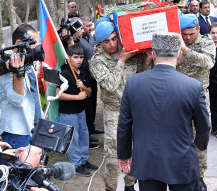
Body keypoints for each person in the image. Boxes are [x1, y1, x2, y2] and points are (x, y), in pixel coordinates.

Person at [117, 32, 210, 191]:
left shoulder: (133, 83)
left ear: (153, 54)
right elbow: (204, 126)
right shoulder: (193, 86)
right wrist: (199, 145)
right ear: (179, 55)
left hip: (147, 161)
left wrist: (124, 155)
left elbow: (124, 125)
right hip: (182, 161)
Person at [90, 21, 151, 191]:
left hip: (135, 110)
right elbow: (109, 85)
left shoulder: (131, 52)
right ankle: (110, 187)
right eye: (107, 42)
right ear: (99, 44)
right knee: (113, 157)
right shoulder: (97, 61)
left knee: (135, 150)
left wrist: (147, 61)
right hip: (114, 112)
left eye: (114, 39)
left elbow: (143, 78)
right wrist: (122, 61)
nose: (112, 44)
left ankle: (130, 184)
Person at [177, 14, 215, 191]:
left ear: (198, 30)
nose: (188, 37)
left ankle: (200, 176)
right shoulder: (174, 41)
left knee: (201, 136)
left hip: (199, 97)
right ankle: (180, 172)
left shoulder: (206, 42)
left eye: (191, 34)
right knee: (178, 136)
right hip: (177, 96)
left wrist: (186, 50)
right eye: (184, 34)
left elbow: (208, 62)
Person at [0, 24, 43, 148]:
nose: (35, 47)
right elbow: (17, 100)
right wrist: (17, 72)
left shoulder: (27, 59)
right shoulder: (6, 64)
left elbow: (33, 93)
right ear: (19, 43)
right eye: (32, 43)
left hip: (34, 127)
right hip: (17, 133)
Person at [57, 44, 98, 176]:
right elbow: (59, 94)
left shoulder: (83, 73)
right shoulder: (65, 73)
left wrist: (84, 87)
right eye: (75, 57)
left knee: (84, 135)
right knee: (73, 138)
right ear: (69, 58)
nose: (79, 60)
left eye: (81, 57)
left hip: (81, 111)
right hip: (68, 113)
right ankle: (76, 163)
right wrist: (77, 96)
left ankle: (84, 160)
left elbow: (90, 93)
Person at [79, 15, 104, 137]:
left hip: (93, 75)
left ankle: (92, 126)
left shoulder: (92, 38)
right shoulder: (78, 40)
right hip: (84, 75)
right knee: (86, 103)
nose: (90, 28)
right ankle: (86, 130)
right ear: (81, 26)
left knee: (93, 101)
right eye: (87, 26)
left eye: (91, 25)